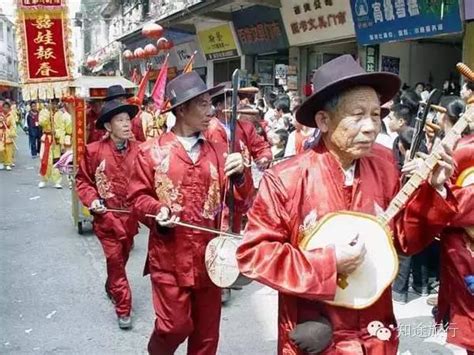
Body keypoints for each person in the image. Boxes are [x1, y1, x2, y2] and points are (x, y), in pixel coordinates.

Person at [236, 55, 459, 355]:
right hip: (316, 333)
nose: (370, 127)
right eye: (357, 115)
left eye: (376, 115)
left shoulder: (384, 165)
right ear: (323, 121)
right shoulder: (287, 178)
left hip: (374, 332)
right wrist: (328, 263)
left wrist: (435, 189)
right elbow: (254, 254)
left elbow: (403, 240)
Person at [127, 72, 254, 355]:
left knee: (206, 338)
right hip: (169, 258)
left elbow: (243, 201)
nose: (212, 111)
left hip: (211, 258)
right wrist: (157, 210)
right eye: (203, 104)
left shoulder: (222, 152)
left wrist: (241, 175)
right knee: (174, 326)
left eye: (211, 103)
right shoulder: (151, 152)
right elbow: (136, 198)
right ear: (181, 109)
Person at [76, 99, 140, 330]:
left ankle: (111, 284)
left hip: (131, 220)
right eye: (120, 120)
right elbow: (83, 181)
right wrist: (93, 200)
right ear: (108, 126)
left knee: (121, 259)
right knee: (115, 260)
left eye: (127, 119)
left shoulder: (141, 150)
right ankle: (123, 307)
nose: (126, 125)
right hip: (107, 219)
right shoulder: (93, 151)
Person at [38, 99, 66, 188]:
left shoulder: (60, 114)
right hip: (46, 139)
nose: (54, 105)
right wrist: (47, 115)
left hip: (55, 140)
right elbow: (41, 123)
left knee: (56, 161)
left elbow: (62, 128)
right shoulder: (43, 112)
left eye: (56, 103)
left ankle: (57, 181)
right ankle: (43, 179)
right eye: (52, 103)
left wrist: (57, 133)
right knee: (44, 160)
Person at [0, 101, 17, 171]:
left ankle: (8, 163)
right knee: (1, 149)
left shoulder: (11, 116)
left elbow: (13, 125)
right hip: (1, 134)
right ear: (2, 107)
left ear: (9, 108)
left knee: (9, 150)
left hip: (8, 134)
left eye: (7, 107)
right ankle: (1, 162)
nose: (5, 109)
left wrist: (12, 133)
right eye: (4, 107)